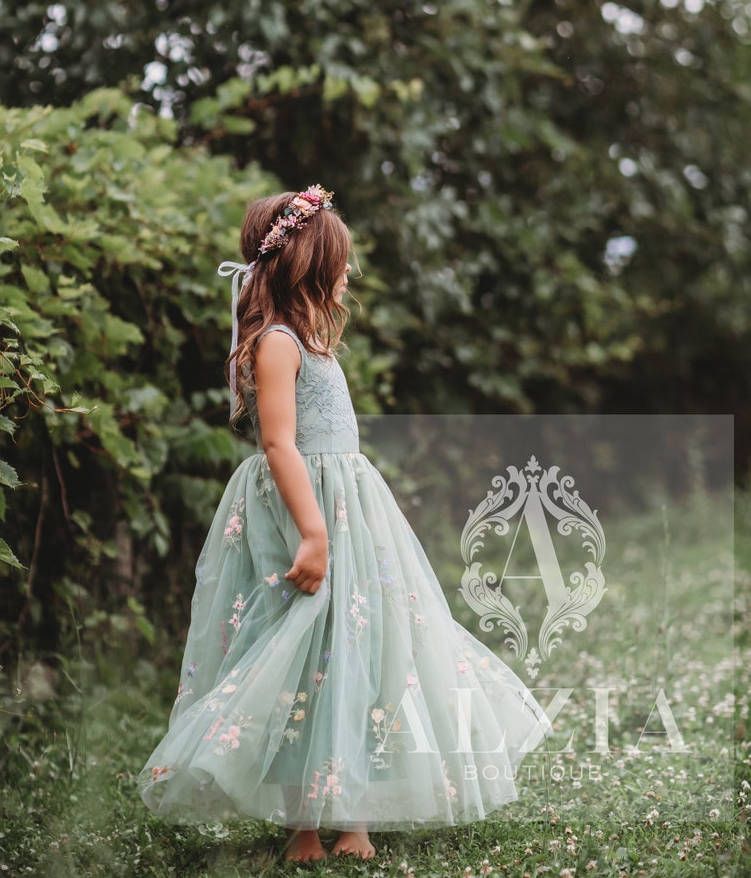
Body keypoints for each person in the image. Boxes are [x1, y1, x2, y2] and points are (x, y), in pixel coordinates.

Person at [138, 186, 550, 862]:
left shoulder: (315, 341)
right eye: (342, 260)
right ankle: (302, 821)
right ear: (308, 262)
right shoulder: (275, 343)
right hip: (306, 513)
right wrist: (314, 532)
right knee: (296, 656)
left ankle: (351, 810)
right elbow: (279, 444)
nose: (350, 272)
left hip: (352, 512)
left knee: (363, 652)